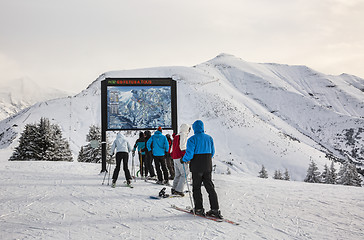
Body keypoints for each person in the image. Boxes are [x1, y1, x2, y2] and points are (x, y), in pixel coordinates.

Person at [181, 120, 223, 219]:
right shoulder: (209, 138)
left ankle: (199, 209)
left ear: (195, 128)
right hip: (207, 165)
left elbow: (190, 154)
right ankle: (215, 209)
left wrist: (184, 160)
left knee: (197, 187)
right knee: (210, 187)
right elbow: (212, 152)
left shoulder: (192, 139)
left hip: (196, 166)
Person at [170, 123, 191, 196]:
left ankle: (174, 188)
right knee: (185, 174)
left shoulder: (176, 136)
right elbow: (183, 147)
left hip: (175, 157)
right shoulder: (183, 135)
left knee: (178, 174)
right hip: (180, 158)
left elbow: (172, 149)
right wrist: (185, 157)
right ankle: (179, 190)